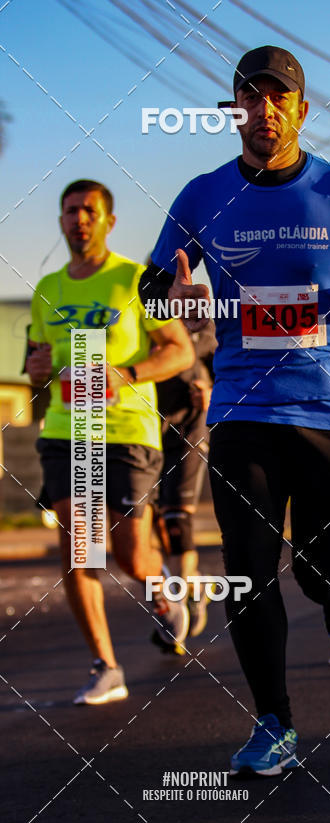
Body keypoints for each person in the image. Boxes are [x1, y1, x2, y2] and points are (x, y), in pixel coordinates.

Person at [141, 45, 330, 776]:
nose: (264, 110)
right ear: (235, 110)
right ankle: (274, 724)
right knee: (247, 566)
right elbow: (151, 287)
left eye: (279, 98)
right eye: (251, 97)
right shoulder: (203, 196)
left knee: (316, 564)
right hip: (243, 405)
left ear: (300, 110)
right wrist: (168, 301)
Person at [25, 180, 194, 704]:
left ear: (109, 221)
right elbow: (38, 368)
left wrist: (127, 372)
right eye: (70, 211)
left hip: (126, 433)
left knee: (128, 556)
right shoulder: (48, 288)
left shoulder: (135, 281)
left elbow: (179, 352)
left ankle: (162, 589)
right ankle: (107, 667)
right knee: (81, 550)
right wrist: (34, 372)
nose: (79, 219)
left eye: (89, 211)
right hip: (67, 429)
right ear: (61, 221)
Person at [154, 323, 217, 642]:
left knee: (177, 518)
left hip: (189, 426)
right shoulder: (133, 317)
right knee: (152, 523)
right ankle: (192, 583)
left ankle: (175, 604)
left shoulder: (203, 322)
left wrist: (209, 387)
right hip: (146, 427)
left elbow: (228, 363)